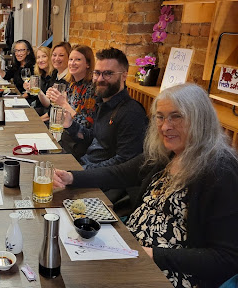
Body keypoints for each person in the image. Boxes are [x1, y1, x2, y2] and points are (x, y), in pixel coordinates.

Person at [53, 83, 238, 288]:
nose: (165, 126)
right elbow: (120, 173)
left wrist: (153, 254)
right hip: (128, 248)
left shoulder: (221, 171)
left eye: (176, 116)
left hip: (169, 273)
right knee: (60, 260)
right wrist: (72, 178)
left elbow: (226, 258)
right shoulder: (165, 154)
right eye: (160, 116)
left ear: (200, 120)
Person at [61, 47, 147, 170]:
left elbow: (124, 163)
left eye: (108, 73)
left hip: (100, 181)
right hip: (85, 165)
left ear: (124, 76)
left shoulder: (131, 112)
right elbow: (94, 138)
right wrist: (70, 125)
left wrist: (82, 172)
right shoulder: (104, 103)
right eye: (97, 73)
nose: (100, 79)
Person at [46, 45, 97, 159]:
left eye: (78, 60)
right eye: (71, 59)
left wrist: (64, 104)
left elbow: (86, 125)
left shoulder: (91, 89)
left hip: (78, 144)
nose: (72, 63)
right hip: (64, 136)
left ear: (88, 64)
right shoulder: (72, 85)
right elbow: (63, 115)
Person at [37, 41, 71, 115]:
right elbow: (49, 104)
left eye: (61, 55)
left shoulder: (70, 79)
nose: (56, 58)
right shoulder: (54, 74)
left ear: (69, 57)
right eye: (54, 55)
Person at [23, 46, 53, 116]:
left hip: (46, 114)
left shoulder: (54, 76)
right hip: (38, 109)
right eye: (38, 57)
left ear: (50, 58)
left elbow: (48, 105)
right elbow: (36, 96)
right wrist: (29, 90)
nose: (40, 60)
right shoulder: (41, 75)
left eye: (44, 56)